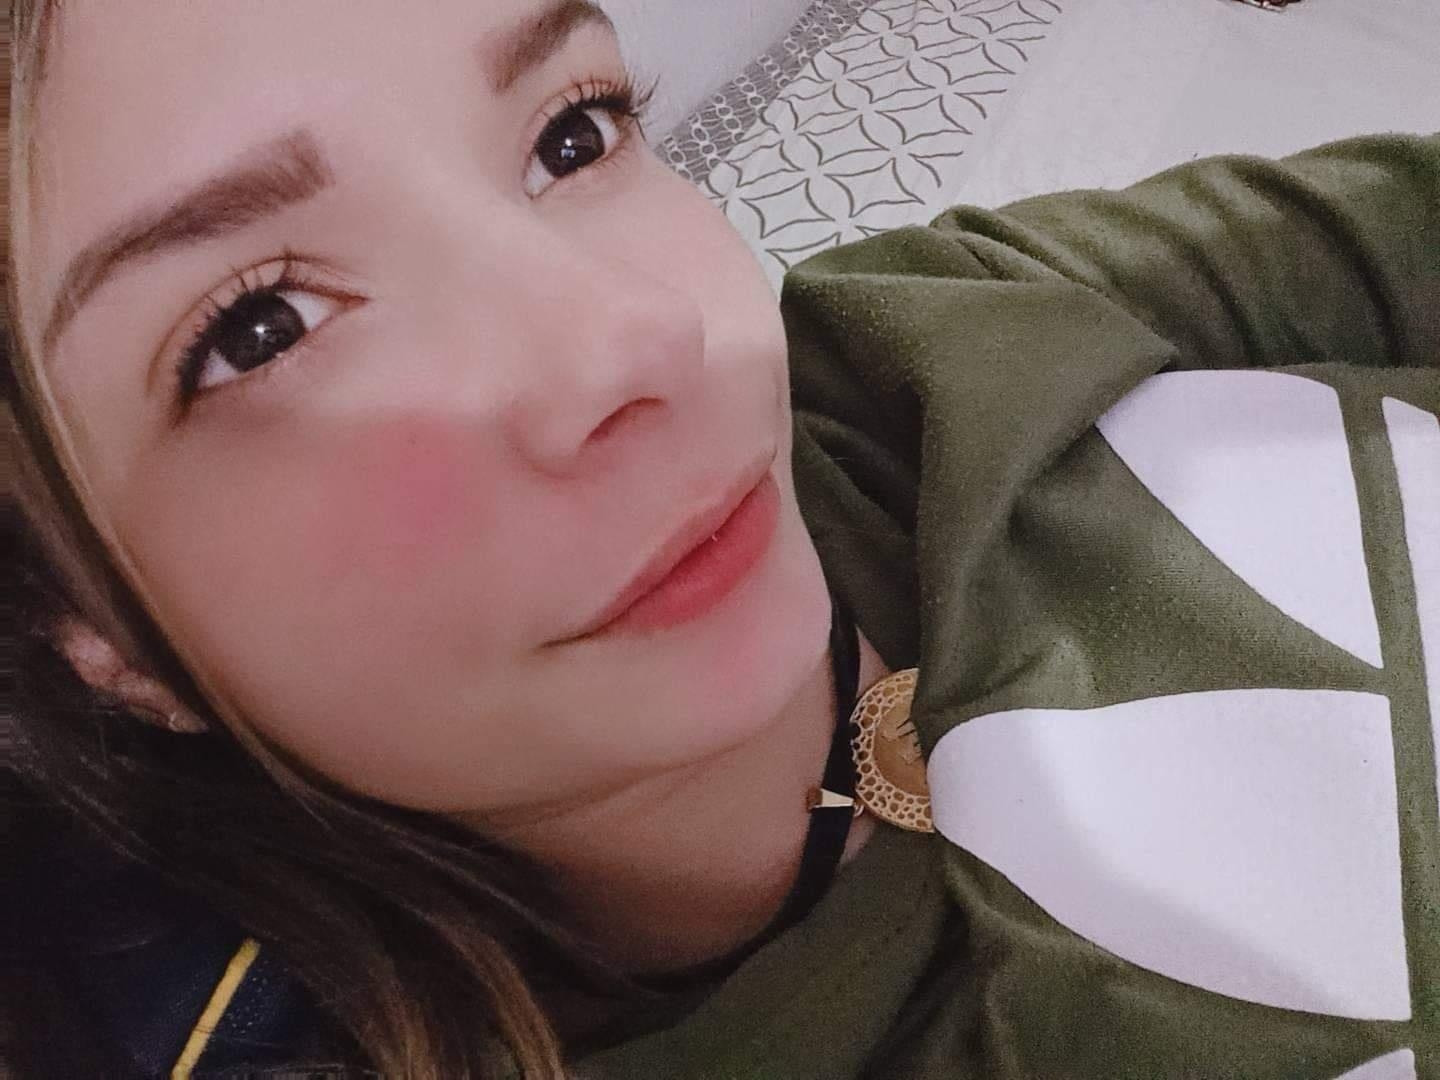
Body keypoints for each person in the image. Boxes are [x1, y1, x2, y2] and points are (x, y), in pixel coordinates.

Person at [2, 1, 1437, 1077]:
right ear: (96, 635)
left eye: (572, 136)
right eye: (261, 329)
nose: (634, 337)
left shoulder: (926, 337)